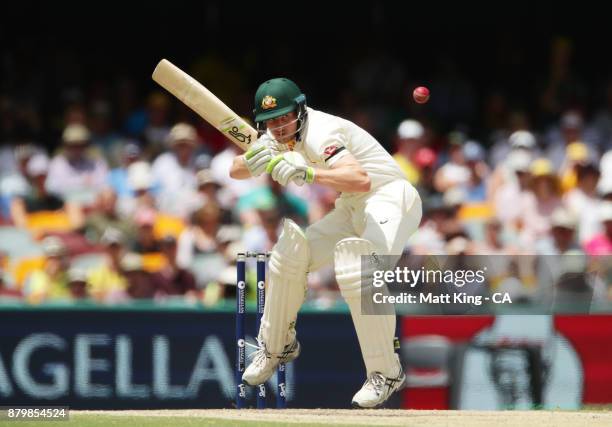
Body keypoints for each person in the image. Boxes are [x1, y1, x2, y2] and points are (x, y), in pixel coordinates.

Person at [230, 78, 422, 408]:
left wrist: (307, 174)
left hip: (391, 197)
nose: (278, 127)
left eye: (284, 118)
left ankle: (386, 372)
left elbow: (360, 180)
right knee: (288, 255)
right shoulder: (276, 136)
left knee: (360, 270)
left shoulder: (321, 133)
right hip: (351, 206)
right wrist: (251, 160)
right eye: (271, 122)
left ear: (300, 112)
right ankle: (277, 346)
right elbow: (236, 171)